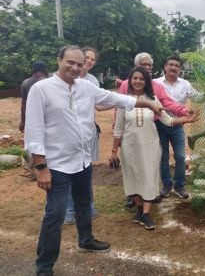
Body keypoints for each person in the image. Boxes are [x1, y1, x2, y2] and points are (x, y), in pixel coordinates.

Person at [25, 45, 164, 276]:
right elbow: (34, 131)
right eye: (70, 62)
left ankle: (86, 239)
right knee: (55, 214)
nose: (75, 67)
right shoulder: (41, 89)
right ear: (58, 60)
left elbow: (116, 98)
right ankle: (44, 266)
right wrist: (41, 167)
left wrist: (147, 103)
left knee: (83, 204)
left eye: (79, 64)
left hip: (82, 160)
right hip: (56, 165)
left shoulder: (86, 87)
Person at [110, 67, 198, 229]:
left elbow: (167, 121)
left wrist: (186, 120)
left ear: (146, 82)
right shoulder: (124, 101)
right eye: (135, 78)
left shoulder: (154, 99)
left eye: (141, 79)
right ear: (130, 80)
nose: (138, 81)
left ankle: (145, 214)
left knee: (149, 177)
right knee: (132, 178)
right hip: (129, 147)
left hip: (150, 146)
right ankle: (138, 209)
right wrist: (114, 151)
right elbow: (118, 128)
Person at [154, 55, 203, 199]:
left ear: (180, 69)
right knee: (163, 157)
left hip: (178, 124)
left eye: (176, 65)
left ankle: (180, 186)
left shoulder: (185, 84)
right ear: (165, 66)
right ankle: (167, 185)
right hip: (159, 124)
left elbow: (198, 97)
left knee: (181, 157)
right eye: (171, 64)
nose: (173, 67)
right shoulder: (156, 83)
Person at [64, 47, 100, 224]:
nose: (89, 61)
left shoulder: (92, 80)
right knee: (70, 171)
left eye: (93, 59)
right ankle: (70, 210)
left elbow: (99, 104)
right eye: (87, 57)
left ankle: (89, 207)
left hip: (88, 132)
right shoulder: (69, 77)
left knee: (86, 170)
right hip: (69, 135)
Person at [19, 60, 48, 177]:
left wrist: (23, 121)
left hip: (32, 117)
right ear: (44, 69)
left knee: (35, 141)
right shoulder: (48, 81)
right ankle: (35, 167)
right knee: (46, 141)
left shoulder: (26, 83)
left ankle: (33, 166)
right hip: (47, 116)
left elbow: (23, 103)